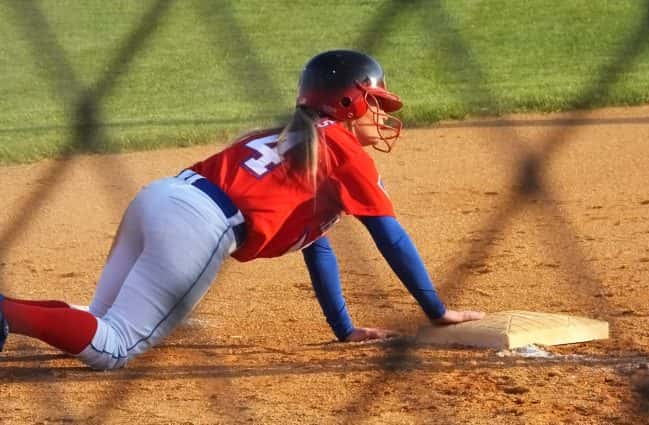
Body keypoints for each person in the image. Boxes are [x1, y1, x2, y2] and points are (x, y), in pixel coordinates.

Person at [0, 50, 484, 370]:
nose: (383, 115)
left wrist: (344, 328)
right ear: (348, 101)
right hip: (200, 225)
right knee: (113, 348)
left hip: (160, 196)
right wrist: (437, 311)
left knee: (101, 316)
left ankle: (10, 312)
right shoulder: (342, 151)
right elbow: (390, 237)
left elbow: (318, 247)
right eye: (375, 102)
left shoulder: (288, 138)